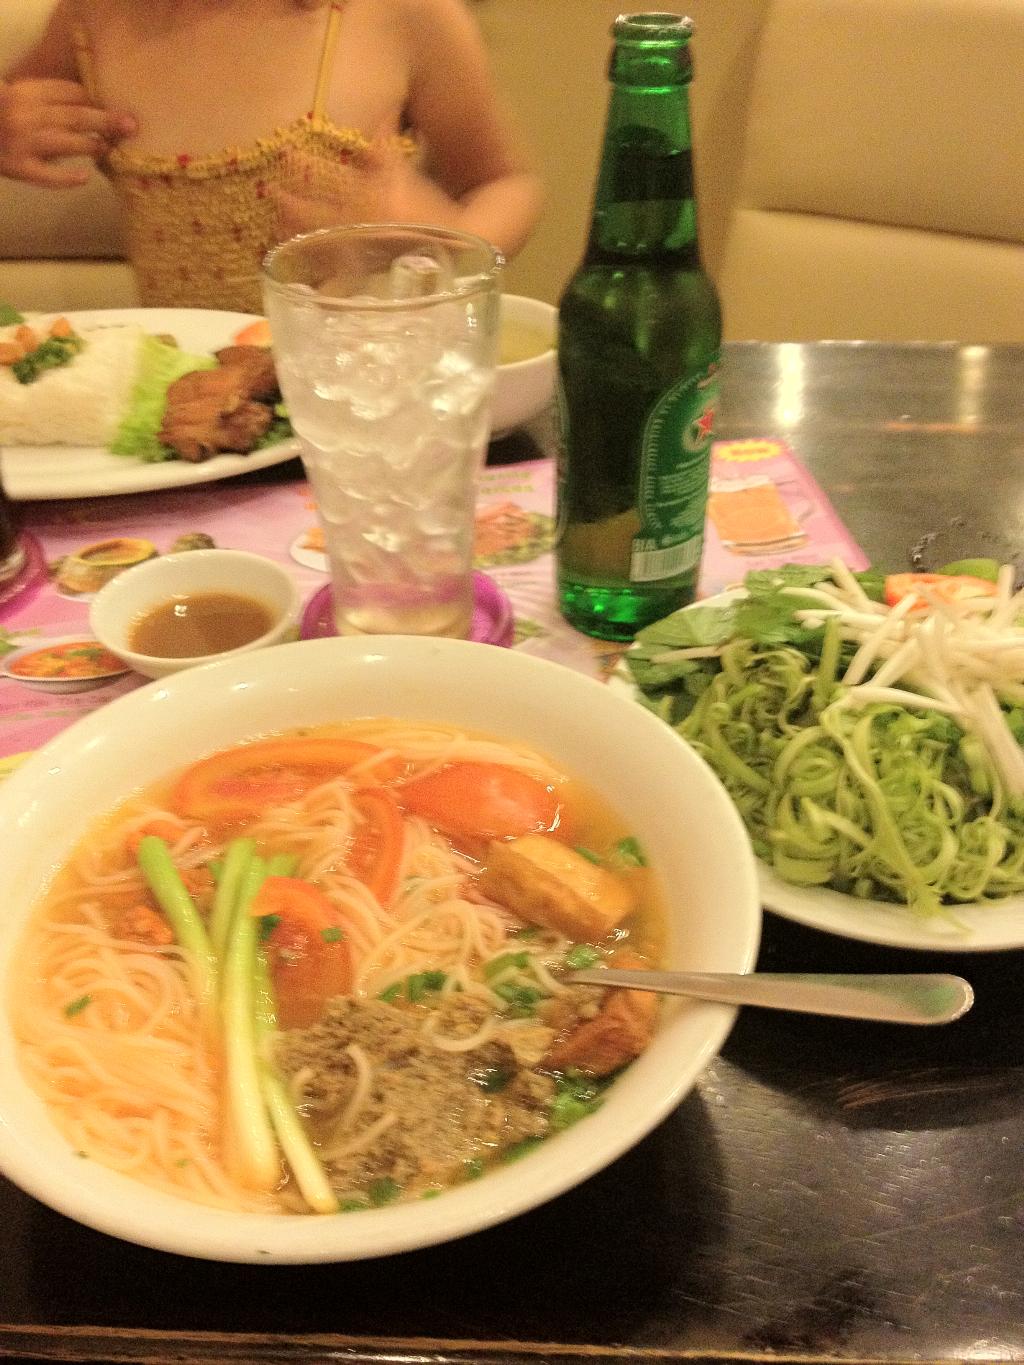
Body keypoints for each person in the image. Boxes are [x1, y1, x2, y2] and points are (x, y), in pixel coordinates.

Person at [0, 0, 542, 311]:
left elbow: (507, 183)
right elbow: (19, 107)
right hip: (189, 405)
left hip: (362, 397)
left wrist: (440, 238)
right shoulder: (93, 19)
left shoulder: (400, 14)